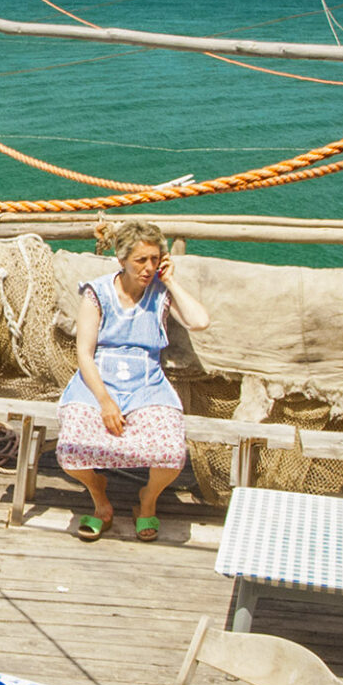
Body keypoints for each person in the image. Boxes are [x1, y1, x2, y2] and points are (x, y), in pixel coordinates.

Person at [55, 220, 209, 542]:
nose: (148, 267)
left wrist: (171, 281)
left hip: (146, 384)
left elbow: (199, 321)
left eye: (155, 259)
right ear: (122, 259)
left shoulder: (161, 292)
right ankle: (98, 494)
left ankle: (147, 500)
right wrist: (105, 402)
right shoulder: (97, 293)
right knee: (69, 451)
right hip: (97, 382)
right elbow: (84, 353)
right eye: (141, 260)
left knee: (172, 453)